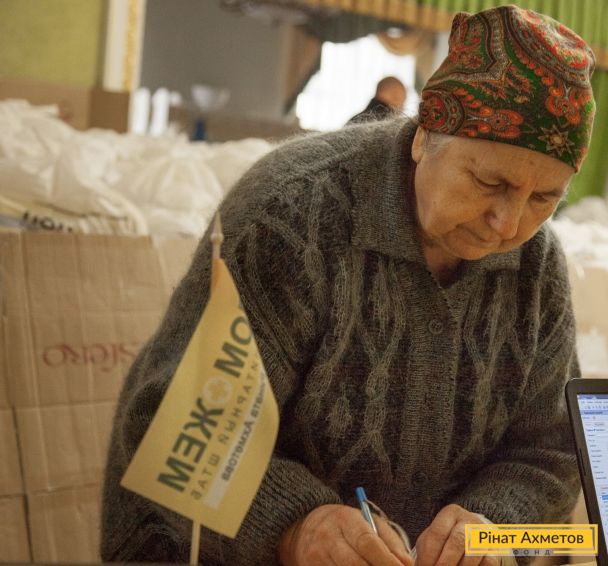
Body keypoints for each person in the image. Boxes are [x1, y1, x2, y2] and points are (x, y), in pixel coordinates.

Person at [101, 5, 595, 565]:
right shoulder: (291, 217)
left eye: (543, 199)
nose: (508, 224)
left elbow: (552, 451)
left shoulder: (536, 266)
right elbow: (172, 430)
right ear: (424, 137)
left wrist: (494, 532)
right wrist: (296, 525)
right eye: (488, 181)